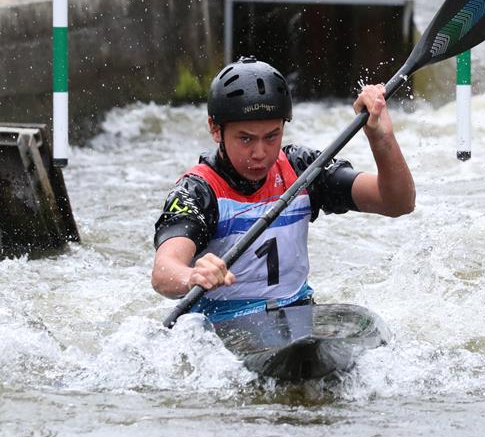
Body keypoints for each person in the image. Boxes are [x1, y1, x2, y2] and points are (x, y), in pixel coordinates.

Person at [151, 57, 416, 320]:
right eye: (246, 139)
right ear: (215, 129)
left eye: (271, 136)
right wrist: (192, 276)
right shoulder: (197, 191)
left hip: (297, 313)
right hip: (223, 324)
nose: (260, 153)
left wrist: (381, 137)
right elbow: (163, 272)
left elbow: (397, 202)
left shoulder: (301, 169)